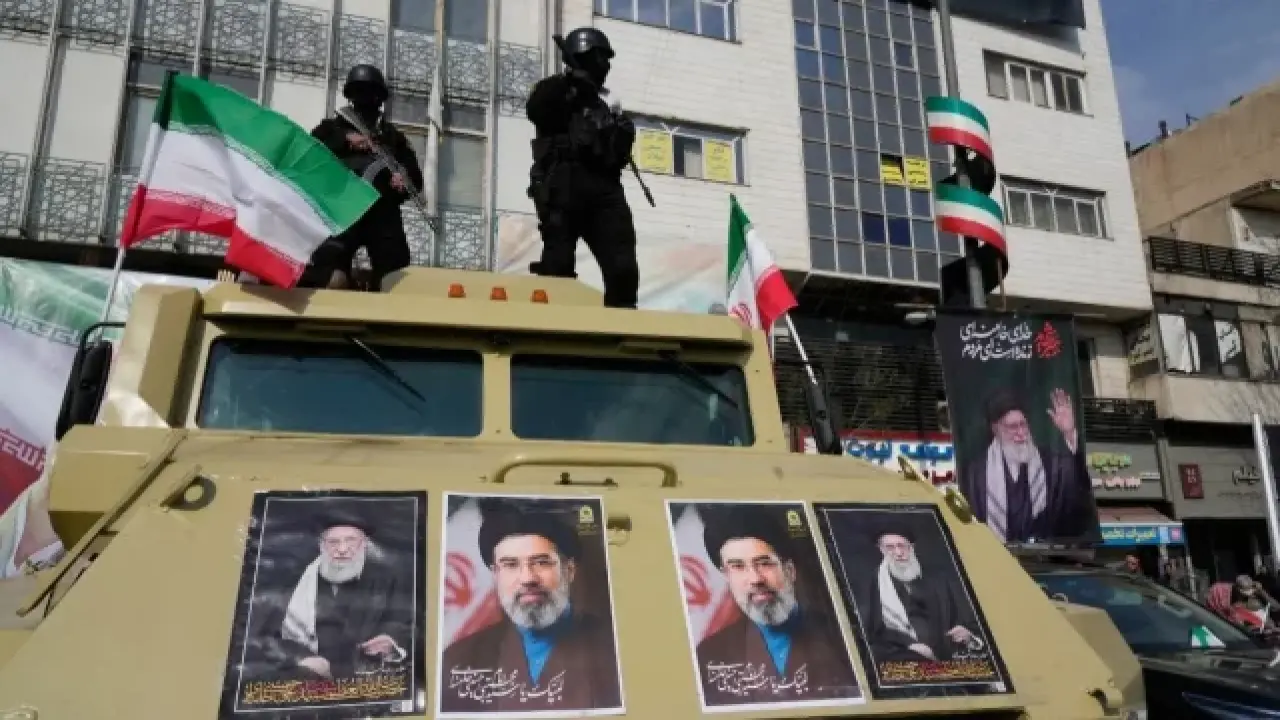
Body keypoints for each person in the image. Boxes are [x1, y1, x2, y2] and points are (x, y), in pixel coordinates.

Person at [439, 503, 621, 713]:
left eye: (541, 562)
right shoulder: (458, 660)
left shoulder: (615, 648)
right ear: (495, 575)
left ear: (569, 570)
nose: (527, 578)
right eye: (510, 565)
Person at [696, 505, 860, 705]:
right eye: (738, 567)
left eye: (765, 563)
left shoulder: (844, 636)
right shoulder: (709, 655)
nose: (755, 579)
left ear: (790, 571)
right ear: (727, 577)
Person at [525, 27, 640, 309]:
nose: (607, 65)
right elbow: (536, 109)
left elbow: (616, 152)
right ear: (584, 54)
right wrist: (570, 85)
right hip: (563, 185)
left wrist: (621, 129)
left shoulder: (606, 103)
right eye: (602, 57)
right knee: (558, 265)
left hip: (605, 190)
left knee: (623, 268)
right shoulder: (556, 89)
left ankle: (622, 323)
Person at [251, 508, 413, 680]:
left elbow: (408, 624)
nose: (342, 549)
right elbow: (262, 637)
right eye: (333, 542)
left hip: (368, 679)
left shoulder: (389, 579)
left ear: (364, 543)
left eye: (351, 541)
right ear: (321, 546)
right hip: (306, 678)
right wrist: (300, 658)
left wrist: (391, 641)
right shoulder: (294, 580)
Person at [305, 64, 424, 291]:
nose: (366, 99)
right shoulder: (330, 129)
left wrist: (403, 180)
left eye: (371, 93)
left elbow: (415, 180)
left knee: (395, 279)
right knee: (332, 276)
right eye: (359, 92)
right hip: (343, 210)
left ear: (380, 98)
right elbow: (310, 155)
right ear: (351, 96)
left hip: (383, 214)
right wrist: (345, 140)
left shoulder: (393, 138)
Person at [957, 387, 1094, 543]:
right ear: (995, 429)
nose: (1021, 433)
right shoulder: (976, 473)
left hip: (1043, 555)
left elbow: (1077, 489)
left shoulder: (1050, 463)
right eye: (1013, 427)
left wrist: (1069, 434)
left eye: (1023, 424)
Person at [864, 529, 981, 663]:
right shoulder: (877, 583)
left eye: (902, 546)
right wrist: (910, 644)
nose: (898, 553)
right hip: (901, 656)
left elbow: (965, 617)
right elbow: (875, 630)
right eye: (890, 548)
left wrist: (966, 632)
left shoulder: (939, 578)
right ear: (881, 550)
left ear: (912, 547)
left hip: (948, 656)